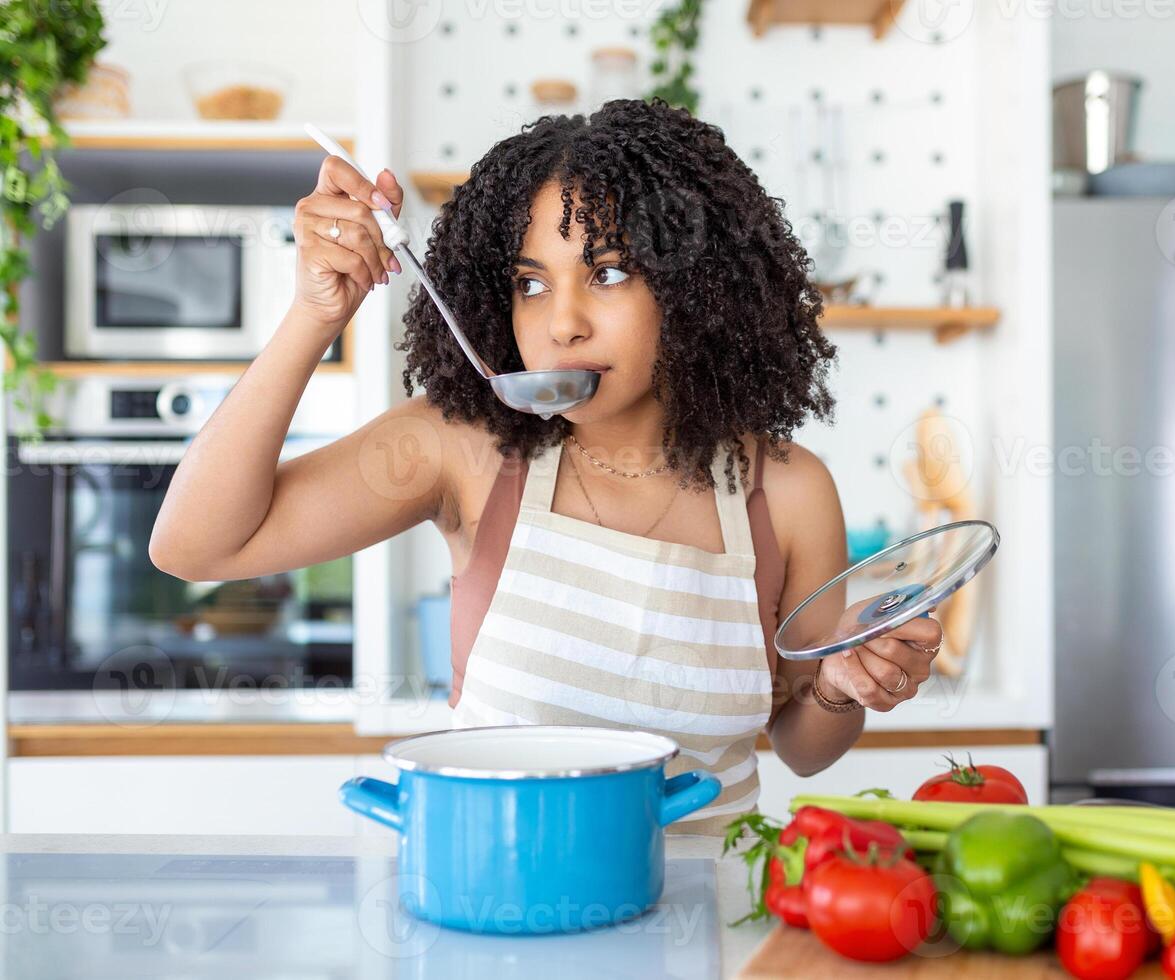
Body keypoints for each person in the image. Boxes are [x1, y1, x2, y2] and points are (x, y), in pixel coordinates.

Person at [150, 98, 943, 835]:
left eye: (606, 273)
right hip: (501, 911)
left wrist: (841, 689)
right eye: (531, 284)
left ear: (693, 285)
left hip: (711, 931)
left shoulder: (788, 491)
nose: (561, 324)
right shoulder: (464, 450)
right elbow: (194, 546)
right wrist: (316, 314)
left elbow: (805, 745)